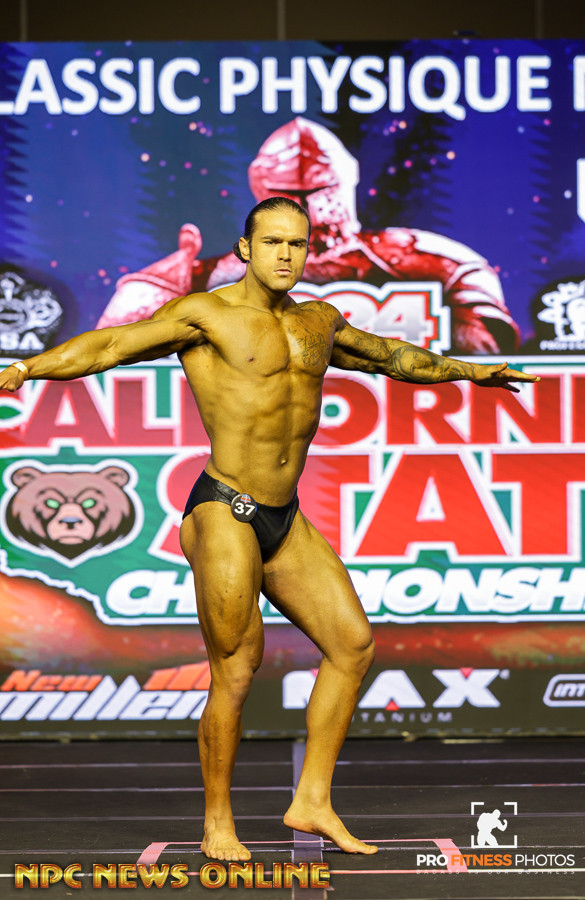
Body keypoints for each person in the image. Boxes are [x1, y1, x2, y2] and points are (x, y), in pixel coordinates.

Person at [0, 196, 539, 863]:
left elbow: (391, 356)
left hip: (285, 517)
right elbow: (110, 345)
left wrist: (472, 372)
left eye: (297, 244)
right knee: (236, 669)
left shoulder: (318, 321)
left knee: (352, 645)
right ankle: (218, 822)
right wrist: (25, 368)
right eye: (273, 242)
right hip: (223, 507)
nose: (286, 254)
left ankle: (311, 800)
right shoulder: (205, 315)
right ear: (246, 249)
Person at [98, 117, 519, 355]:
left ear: (344, 181)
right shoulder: (207, 275)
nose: (307, 210)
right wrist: (166, 282)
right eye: (288, 193)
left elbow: (491, 348)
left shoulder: (437, 261)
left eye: (318, 191)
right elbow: (116, 346)